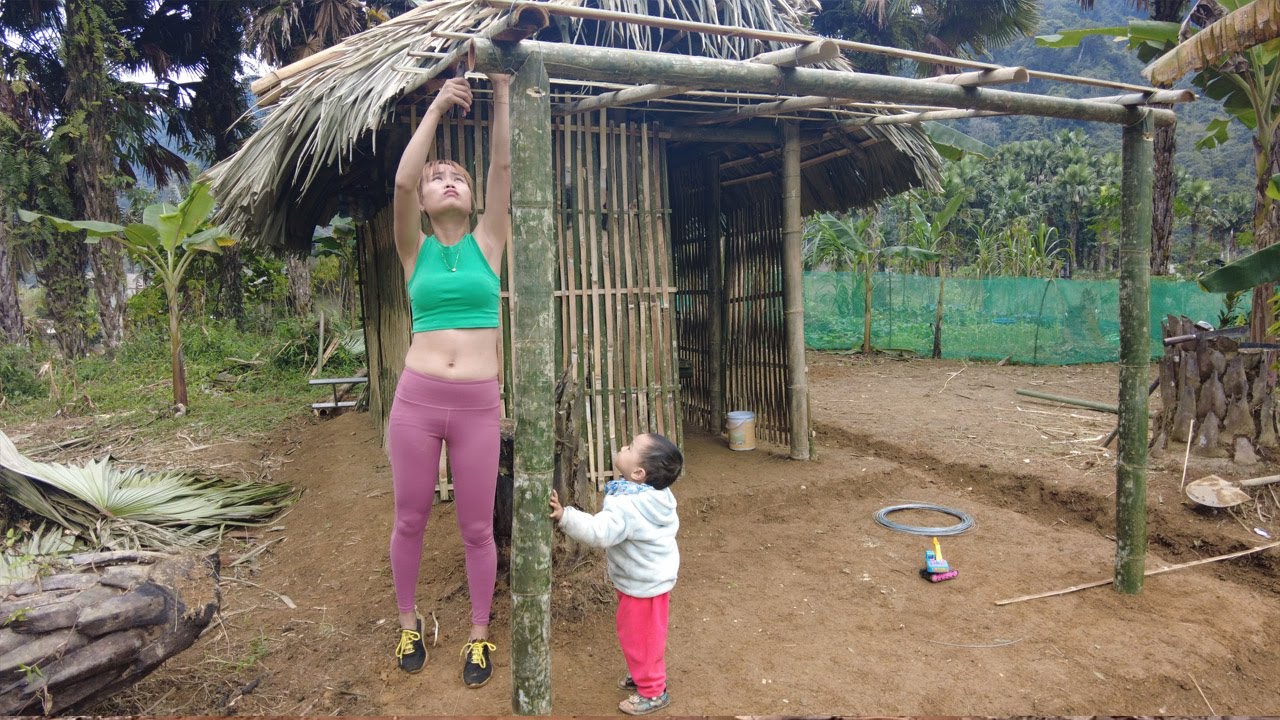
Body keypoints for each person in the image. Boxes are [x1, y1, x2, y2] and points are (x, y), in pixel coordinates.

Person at [387, 70, 510, 687]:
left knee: (477, 527)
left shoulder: (490, 242)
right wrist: (437, 105)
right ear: (428, 202)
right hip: (417, 399)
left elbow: (503, 175)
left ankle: (480, 635)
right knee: (410, 517)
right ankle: (408, 620)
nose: (448, 180)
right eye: (441, 178)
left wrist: (505, 93)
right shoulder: (416, 248)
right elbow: (405, 180)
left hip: (477, 405)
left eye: (457, 175)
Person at [549, 433, 683, 716]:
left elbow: (600, 532)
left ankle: (653, 691)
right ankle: (643, 672)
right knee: (641, 633)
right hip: (648, 579)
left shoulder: (628, 505)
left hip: (644, 584)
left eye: (630, 447)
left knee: (639, 636)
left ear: (638, 472)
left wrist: (566, 516)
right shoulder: (654, 495)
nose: (623, 447)